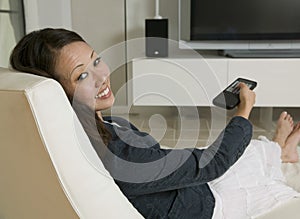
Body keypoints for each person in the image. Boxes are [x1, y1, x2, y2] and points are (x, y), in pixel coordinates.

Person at [10, 28, 299, 219]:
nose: (101, 77)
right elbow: (214, 163)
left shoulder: (101, 129)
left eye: (96, 61)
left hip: (183, 190)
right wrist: (244, 110)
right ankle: (278, 152)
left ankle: (278, 150)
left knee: (243, 155)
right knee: (241, 167)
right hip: (204, 208)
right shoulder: (118, 153)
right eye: (81, 76)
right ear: (59, 93)